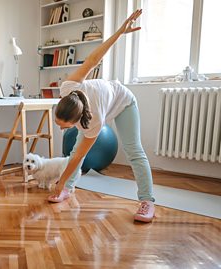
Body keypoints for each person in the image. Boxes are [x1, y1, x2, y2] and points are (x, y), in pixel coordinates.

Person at [48, 9, 156, 223]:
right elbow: (93, 59)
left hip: (123, 102)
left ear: (77, 120)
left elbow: (79, 156)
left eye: (63, 125)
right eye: (59, 124)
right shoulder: (68, 87)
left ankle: (147, 201)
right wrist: (63, 185)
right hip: (98, 104)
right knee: (74, 150)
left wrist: (59, 181)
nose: (61, 129)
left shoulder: (93, 120)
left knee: (133, 150)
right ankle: (68, 189)